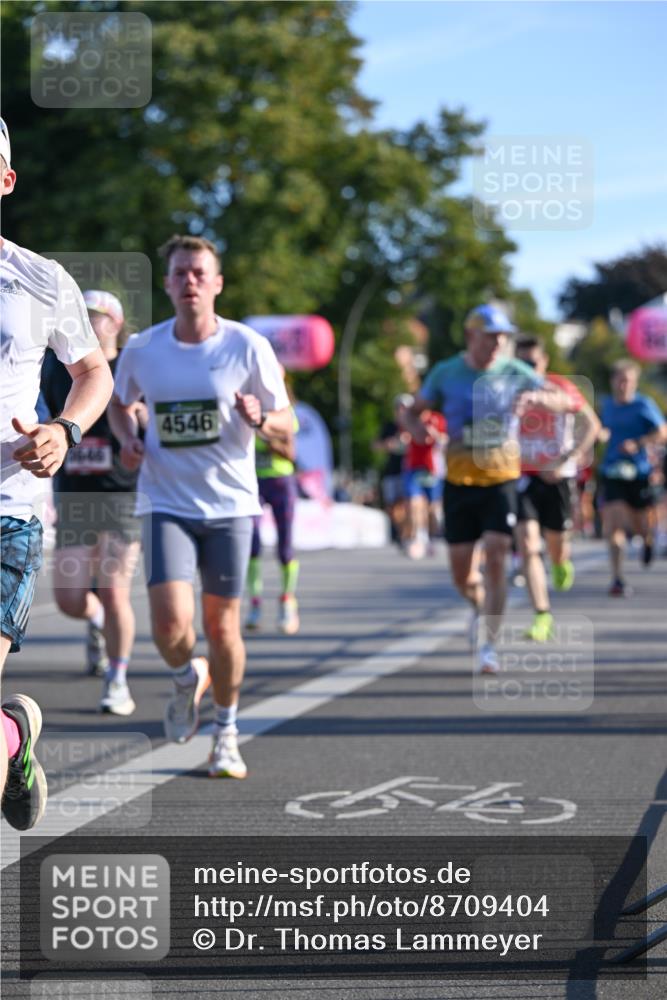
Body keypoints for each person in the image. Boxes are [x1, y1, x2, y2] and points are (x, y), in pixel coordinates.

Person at [109, 234, 291, 778]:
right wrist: (127, 438)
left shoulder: (247, 346)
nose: (189, 281)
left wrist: (260, 416)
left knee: (225, 627)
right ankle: (189, 676)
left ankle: (226, 735)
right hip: (166, 501)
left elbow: (287, 424)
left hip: (232, 506)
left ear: (216, 284)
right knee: (169, 627)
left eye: (198, 273)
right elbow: (120, 405)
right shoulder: (144, 348)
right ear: (167, 285)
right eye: (180, 273)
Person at [0, 118, 113, 829]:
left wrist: (64, 429)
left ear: (5, 180)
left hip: (6, 508)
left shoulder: (41, 279)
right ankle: (14, 733)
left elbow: (91, 370)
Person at [403, 304, 565, 673]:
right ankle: (476, 603)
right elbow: (413, 410)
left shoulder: (515, 370)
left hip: (502, 480)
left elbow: (565, 400)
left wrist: (540, 398)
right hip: (459, 482)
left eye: (503, 336)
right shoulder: (447, 372)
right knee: (462, 575)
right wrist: (417, 430)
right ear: (471, 336)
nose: (498, 343)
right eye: (491, 336)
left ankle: (489, 647)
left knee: (496, 557)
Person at [40, 291, 144, 714]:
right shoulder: (56, 365)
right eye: (82, 315)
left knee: (116, 589)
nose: (89, 322)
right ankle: (97, 621)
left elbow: (149, 411)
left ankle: (117, 679)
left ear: (116, 322)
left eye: (97, 316)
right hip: (74, 490)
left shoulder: (130, 366)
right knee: (69, 598)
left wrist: (142, 423)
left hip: (121, 490)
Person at [514, 336, 600, 640]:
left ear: (544, 362)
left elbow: (592, 425)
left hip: (558, 478)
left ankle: (562, 560)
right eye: (521, 363)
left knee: (556, 545)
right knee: (527, 545)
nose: (527, 369)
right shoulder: (508, 390)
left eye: (532, 363)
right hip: (524, 476)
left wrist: (567, 458)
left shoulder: (561, 386)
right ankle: (542, 615)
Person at [598, 359, 667, 596]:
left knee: (640, 525)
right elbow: (600, 427)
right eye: (620, 380)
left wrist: (638, 443)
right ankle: (617, 579)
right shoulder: (606, 405)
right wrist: (601, 434)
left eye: (628, 381)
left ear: (635, 383)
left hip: (638, 473)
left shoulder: (643, 405)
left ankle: (647, 540)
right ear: (613, 381)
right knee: (614, 526)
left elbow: (662, 432)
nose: (623, 385)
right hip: (612, 471)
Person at [245, 371, 300, 634]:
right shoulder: (248, 405)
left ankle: (287, 600)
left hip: (281, 481)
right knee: (252, 544)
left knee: (285, 547)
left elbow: (291, 453)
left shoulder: (284, 410)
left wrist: (266, 438)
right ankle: (255, 603)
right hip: (254, 482)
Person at [398, 401, 447, 560]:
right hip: (413, 467)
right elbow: (403, 438)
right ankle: (419, 537)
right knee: (414, 504)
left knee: (432, 509)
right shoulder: (409, 418)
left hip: (432, 469)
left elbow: (445, 440)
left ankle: (432, 538)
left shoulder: (437, 419)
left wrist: (433, 433)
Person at [373, 397, 410, 548]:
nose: (401, 411)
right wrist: (386, 444)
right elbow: (375, 445)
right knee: (392, 507)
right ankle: (402, 533)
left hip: (408, 470)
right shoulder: (389, 426)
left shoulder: (412, 426)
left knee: (404, 504)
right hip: (391, 470)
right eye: (399, 408)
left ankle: (405, 535)